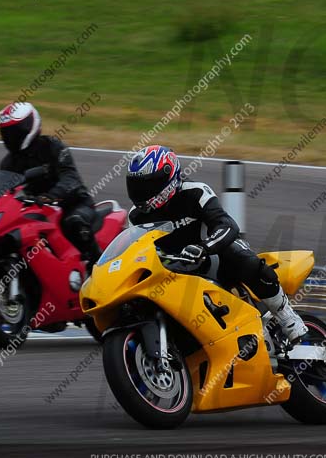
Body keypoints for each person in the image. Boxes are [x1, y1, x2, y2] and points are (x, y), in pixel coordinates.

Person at [125, 145, 308, 343]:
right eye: (137, 185)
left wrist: (204, 248)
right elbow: (136, 252)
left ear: (168, 177)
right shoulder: (135, 217)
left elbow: (227, 225)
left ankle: (287, 317)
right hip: (174, 269)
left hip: (212, 258)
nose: (142, 192)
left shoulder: (195, 192)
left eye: (148, 184)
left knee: (239, 254)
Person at [0, 102, 101, 270]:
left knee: (74, 223)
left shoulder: (53, 147)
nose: (11, 137)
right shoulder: (8, 163)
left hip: (73, 204)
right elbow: (2, 193)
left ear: (31, 125)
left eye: (16, 131)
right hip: (37, 209)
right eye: (7, 132)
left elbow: (70, 178)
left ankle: (98, 266)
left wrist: (51, 195)